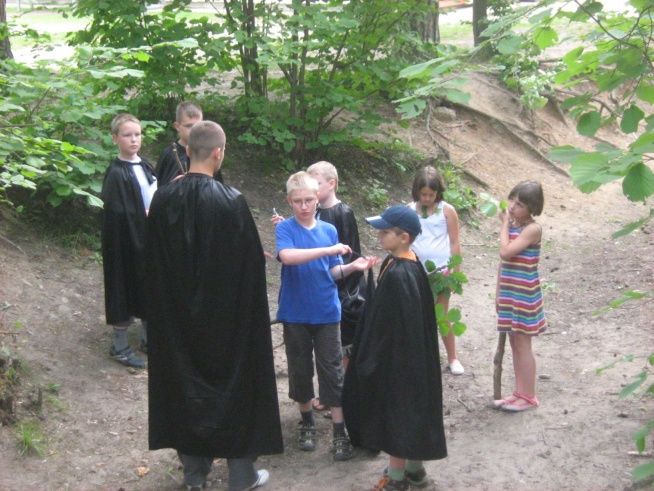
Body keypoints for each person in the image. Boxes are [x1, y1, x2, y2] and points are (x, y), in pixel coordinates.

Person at [146, 121, 283, 490]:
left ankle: (195, 475)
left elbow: (152, 263)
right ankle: (241, 474)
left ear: (188, 150)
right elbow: (250, 268)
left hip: (176, 319)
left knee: (183, 382)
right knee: (236, 383)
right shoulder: (231, 201)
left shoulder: (163, 199)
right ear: (219, 153)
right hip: (226, 319)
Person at [343, 205, 447, 490]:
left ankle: (396, 478)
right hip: (407, 356)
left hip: (400, 358)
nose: (379, 235)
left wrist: (374, 355)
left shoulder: (402, 274)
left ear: (404, 237)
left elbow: (397, 325)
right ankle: (415, 470)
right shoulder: (403, 262)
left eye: (385, 231)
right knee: (409, 408)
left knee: (398, 410)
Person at [275, 171, 376, 461]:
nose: (304, 206)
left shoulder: (329, 230)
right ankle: (307, 422)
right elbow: (288, 257)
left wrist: (352, 267)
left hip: (327, 311)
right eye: (297, 201)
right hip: (295, 312)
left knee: (332, 370)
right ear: (289, 201)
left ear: (317, 199)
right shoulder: (285, 229)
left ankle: (339, 431)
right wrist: (328, 250)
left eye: (309, 200)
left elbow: (331, 271)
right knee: (300, 369)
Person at [306, 161, 363, 413]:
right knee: (325, 347)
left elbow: (350, 254)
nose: (312, 189)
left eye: (316, 184)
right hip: (321, 285)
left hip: (342, 288)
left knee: (342, 348)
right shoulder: (315, 211)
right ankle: (330, 394)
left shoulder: (343, 212)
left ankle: (340, 397)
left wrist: (344, 289)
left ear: (331, 184)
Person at [101, 113, 156, 369]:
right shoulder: (115, 173)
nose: (134, 139)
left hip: (147, 239)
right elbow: (115, 212)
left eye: (137, 134)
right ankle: (120, 345)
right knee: (123, 285)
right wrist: (142, 215)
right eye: (127, 135)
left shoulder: (145, 165)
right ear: (115, 139)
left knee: (149, 284)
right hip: (124, 244)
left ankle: (148, 339)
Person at [493, 180, 546, 412]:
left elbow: (505, 252)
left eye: (520, 204)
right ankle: (518, 393)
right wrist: (498, 293)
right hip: (509, 292)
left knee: (523, 344)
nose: (513, 207)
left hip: (524, 295)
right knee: (514, 343)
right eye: (512, 201)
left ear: (532, 208)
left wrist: (504, 224)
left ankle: (529, 396)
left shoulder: (532, 229)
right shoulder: (514, 226)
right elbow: (503, 264)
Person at [408, 166, 465, 375]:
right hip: (415, 271)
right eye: (423, 194)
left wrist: (455, 271)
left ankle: (452, 358)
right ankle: (419, 358)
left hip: (441, 273)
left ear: (438, 192)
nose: (427, 198)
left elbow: (455, 241)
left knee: (441, 315)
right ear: (417, 191)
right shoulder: (409, 210)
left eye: (431, 194)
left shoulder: (447, 211)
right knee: (416, 315)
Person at [155, 101, 223, 186]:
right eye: (189, 126)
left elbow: (218, 186)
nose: (194, 130)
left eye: (198, 125)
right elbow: (160, 186)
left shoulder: (208, 151)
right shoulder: (169, 154)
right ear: (177, 126)